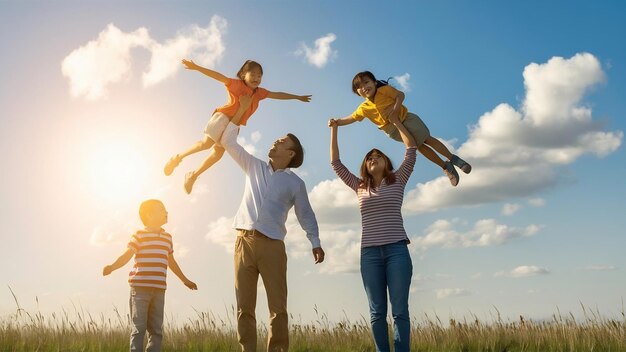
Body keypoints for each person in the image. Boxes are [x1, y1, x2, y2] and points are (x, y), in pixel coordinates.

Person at [219, 97, 325, 352]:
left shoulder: (295, 183)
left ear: (291, 153)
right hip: (243, 242)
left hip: (273, 247)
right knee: (244, 307)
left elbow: (306, 214)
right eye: (276, 140)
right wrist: (241, 110)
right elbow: (227, 142)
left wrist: (315, 242)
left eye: (281, 142)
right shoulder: (254, 166)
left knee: (277, 308)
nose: (275, 142)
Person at [328, 112, 415, 352]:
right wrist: (334, 129)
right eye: (369, 158)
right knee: (377, 313)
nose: (373, 158)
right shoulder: (359, 186)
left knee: (399, 312)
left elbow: (411, 149)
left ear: (387, 162)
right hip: (369, 255)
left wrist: (396, 122)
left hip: (397, 250)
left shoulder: (399, 179)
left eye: (378, 156)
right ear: (365, 166)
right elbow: (336, 163)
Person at [164, 59, 312, 194]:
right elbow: (217, 76)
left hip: (234, 125)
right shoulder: (236, 85)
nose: (256, 78)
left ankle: (193, 176)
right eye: (253, 74)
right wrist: (196, 67)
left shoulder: (259, 93)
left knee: (217, 154)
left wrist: (297, 97)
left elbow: (277, 95)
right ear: (243, 74)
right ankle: (177, 158)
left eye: (259, 75)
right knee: (206, 144)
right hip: (223, 118)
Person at [331, 70, 472, 186]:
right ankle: (445, 166)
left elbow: (400, 95)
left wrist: (394, 112)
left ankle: (453, 158)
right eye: (359, 87)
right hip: (393, 131)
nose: (364, 87)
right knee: (418, 147)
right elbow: (351, 118)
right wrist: (337, 122)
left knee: (427, 139)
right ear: (358, 93)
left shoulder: (384, 90)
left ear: (374, 82)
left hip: (406, 119)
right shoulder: (363, 108)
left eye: (366, 82)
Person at [103, 199, 198, 352]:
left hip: (159, 290)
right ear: (149, 215)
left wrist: (185, 280)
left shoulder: (168, 238)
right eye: (161, 209)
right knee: (139, 328)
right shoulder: (139, 235)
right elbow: (127, 255)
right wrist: (112, 267)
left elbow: (171, 262)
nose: (166, 212)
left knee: (156, 330)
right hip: (140, 289)